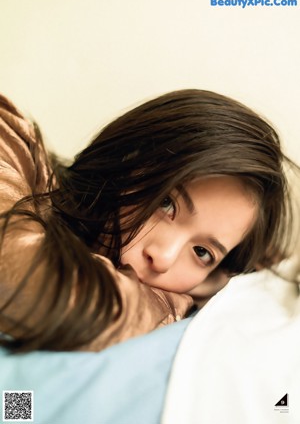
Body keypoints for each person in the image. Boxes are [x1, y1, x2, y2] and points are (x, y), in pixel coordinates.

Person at [0, 89, 298, 353]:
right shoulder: (9, 140)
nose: (163, 258)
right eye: (166, 203)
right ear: (125, 161)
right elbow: (21, 285)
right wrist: (167, 305)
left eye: (202, 253)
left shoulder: (205, 288)